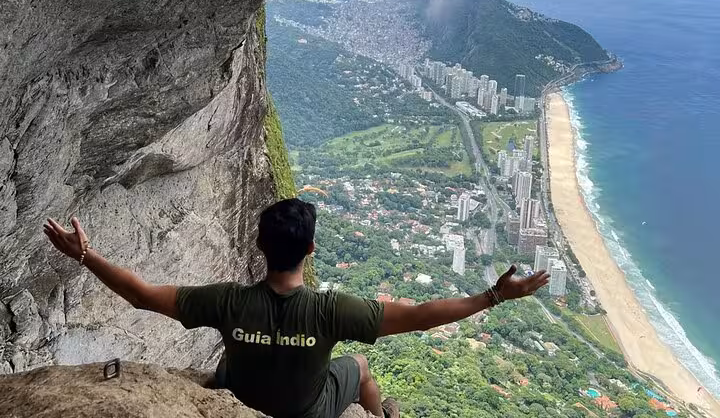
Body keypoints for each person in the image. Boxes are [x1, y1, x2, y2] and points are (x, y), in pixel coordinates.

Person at [44, 198, 549, 418]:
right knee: (362, 366)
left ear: (260, 247)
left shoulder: (226, 301)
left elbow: (141, 294)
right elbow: (419, 316)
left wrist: (85, 254)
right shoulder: (332, 312)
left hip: (241, 395)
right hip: (306, 411)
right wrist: (495, 295)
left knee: (224, 362)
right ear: (311, 250)